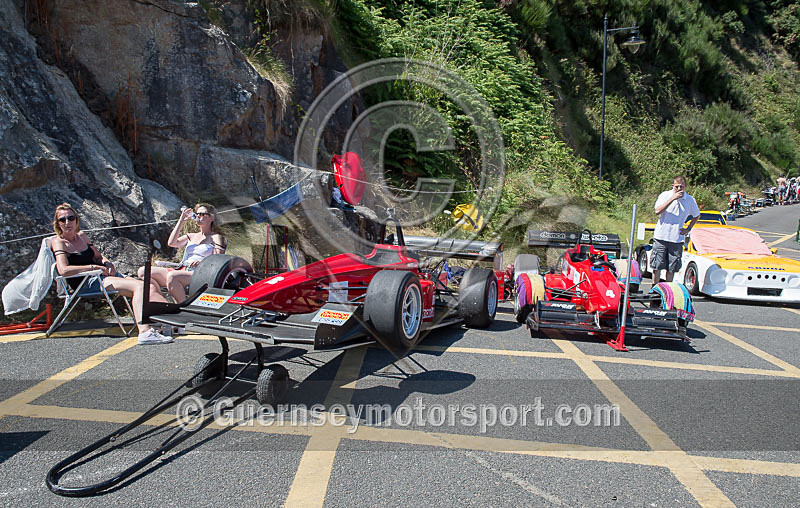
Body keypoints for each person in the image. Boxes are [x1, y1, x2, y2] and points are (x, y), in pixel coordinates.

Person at [50, 203, 172, 345]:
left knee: (148, 287)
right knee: (139, 288)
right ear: (57, 224)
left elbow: (98, 257)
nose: (67, 222)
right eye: (62, 220)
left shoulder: (82, 236)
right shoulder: (59, 242)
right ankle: (145, 332)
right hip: (85, 282)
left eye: (70, 218)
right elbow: (63, 270)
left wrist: (107, 263)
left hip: (100, 275)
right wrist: (92, 267)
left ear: (76, 219)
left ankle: (170, 321)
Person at [138, 203, 226, 303]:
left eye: (202, 214)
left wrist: (202, 262)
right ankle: (161, 302)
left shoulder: (217, 237)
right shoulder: (191, 236)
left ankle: (182, 307)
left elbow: (218, 260)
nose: (198, 216)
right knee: (143, 271)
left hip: (200, 273)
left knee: (173, 276)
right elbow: (171, 243)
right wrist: (181, 221)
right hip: (183, 268)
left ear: (212, 218)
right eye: (197, 214)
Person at [651, 176, 700, 285]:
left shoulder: (689, 200)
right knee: (657, 265)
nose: (678, 189)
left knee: (672, 267)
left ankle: (668, 289)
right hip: (661, 236)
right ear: (673, 186)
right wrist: (672, 198)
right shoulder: (665, 195)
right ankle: (654, 288)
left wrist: (688, 228)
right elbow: (657, 211)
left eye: (681, 187)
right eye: (676, 186)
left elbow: (696, 215)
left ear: (685, 186)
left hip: (677, 238)